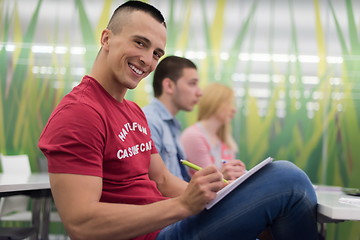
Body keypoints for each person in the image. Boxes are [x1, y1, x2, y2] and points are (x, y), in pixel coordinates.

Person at [38, 1, 318, 240]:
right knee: (288, 179)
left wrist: (218, 193)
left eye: (156, 53)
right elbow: (80, 223)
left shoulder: (133, 111)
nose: (147, 60)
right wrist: (183, 206)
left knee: (282, 191)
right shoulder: (78, 113)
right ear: (106, 39)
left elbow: (161, 179)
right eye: (140, 43)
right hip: (160, 231)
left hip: (171, 223)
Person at [142, 56, 203, 181]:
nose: (199, 92)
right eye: (192, 84)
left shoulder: (172, 125)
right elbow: (157, 182)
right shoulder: (150, 121)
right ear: (169, 85)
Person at [181, 83, 246, 181]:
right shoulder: (193, 136)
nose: (234, 110)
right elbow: (210, 181)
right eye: (230, 103)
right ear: (215, 103)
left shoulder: (224, 138)